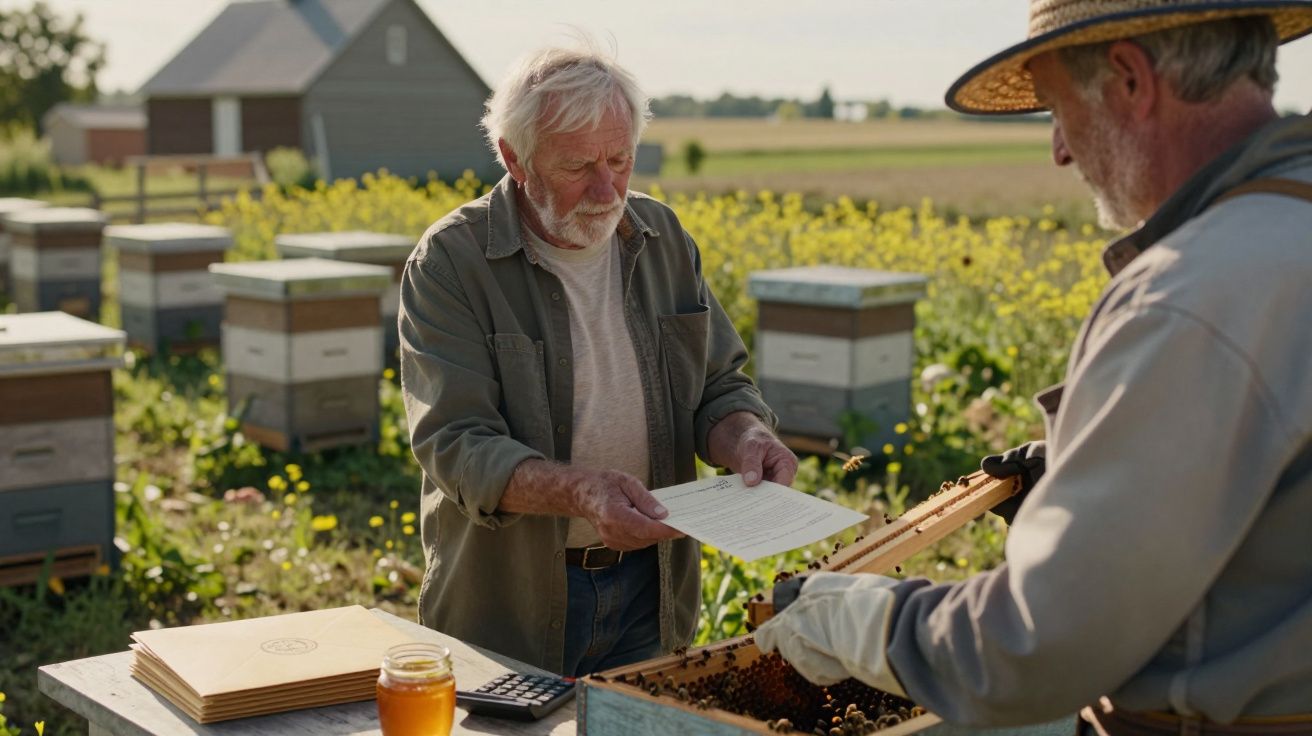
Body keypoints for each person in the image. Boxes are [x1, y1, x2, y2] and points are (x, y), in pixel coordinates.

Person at [756, 1, 1312, 732]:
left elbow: (1031, 648)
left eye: (1055, 108)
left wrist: (853, 620)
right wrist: (1093, 463)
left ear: (1130, 79)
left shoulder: (1189, 294)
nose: (1058, 150)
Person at [398, 44, 797, 677]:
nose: (608, 188)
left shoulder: (664, 239)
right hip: (509, 602)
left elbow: (718, 385)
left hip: (653, 589)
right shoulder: (452, 262)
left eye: (620, 159)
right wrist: (583, 492)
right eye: (579, 165)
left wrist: (748, 436)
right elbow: (456, 443)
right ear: (514, 158)